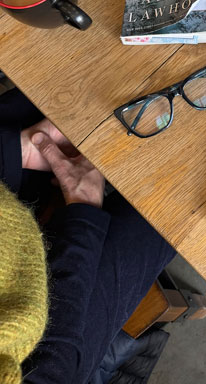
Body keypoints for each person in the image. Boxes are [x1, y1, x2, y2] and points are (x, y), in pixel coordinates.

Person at [0, 88, 175, 383]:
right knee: (167, 210)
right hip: (36, 355)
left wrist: (12, 151)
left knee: (70, 97)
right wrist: (84, 220)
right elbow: (54, 367)